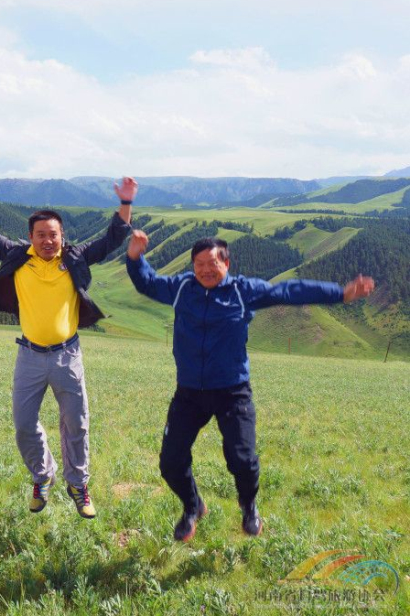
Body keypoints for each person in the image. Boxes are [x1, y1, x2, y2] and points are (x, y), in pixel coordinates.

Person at [126, 231, 374, 542]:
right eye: (199, 264)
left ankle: (249, 505)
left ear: (227, 264)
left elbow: (288, 290)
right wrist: (135, 257)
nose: (205, 270)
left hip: (232, 392)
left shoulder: (243, 291)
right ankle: (192, 506)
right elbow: (147, 282)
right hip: (189, 392)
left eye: (213, 263)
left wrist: (339, 294)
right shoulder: (182, 288)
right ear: (192, 266)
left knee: (242, 459)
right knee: (170, 461)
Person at [0, 171, 138, 519]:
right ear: (30, 237)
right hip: (30, 356)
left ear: (62, 236)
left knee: (77, 424)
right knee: (24, 425)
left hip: (67, 355)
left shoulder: (75, 257)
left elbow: (112, 238)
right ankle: (43, 475)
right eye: (41, 235)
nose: (48, 241)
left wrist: (125, 201)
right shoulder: (18, 256)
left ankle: (78, 485)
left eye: (53, 234)